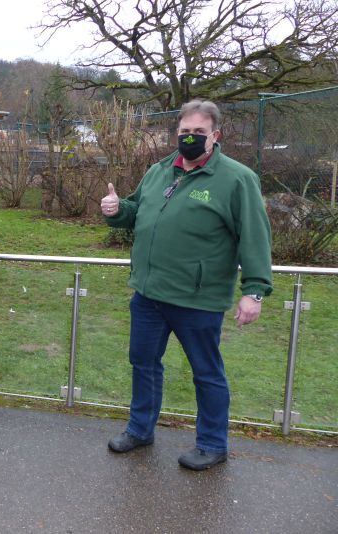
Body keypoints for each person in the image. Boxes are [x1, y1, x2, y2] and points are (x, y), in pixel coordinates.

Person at [100, 100, 272, 470]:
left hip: (198, 298)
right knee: (143, 363)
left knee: (206, 373)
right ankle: (140, 429)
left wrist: (254, 290)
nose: (190, 138)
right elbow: (136, 211)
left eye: (198, 132)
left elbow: (254, 238)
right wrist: (116, 210)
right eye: (183, 132)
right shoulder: (161, 170)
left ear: (216, 135)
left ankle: (212, 443)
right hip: (148, 294)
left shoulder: (237, 179)